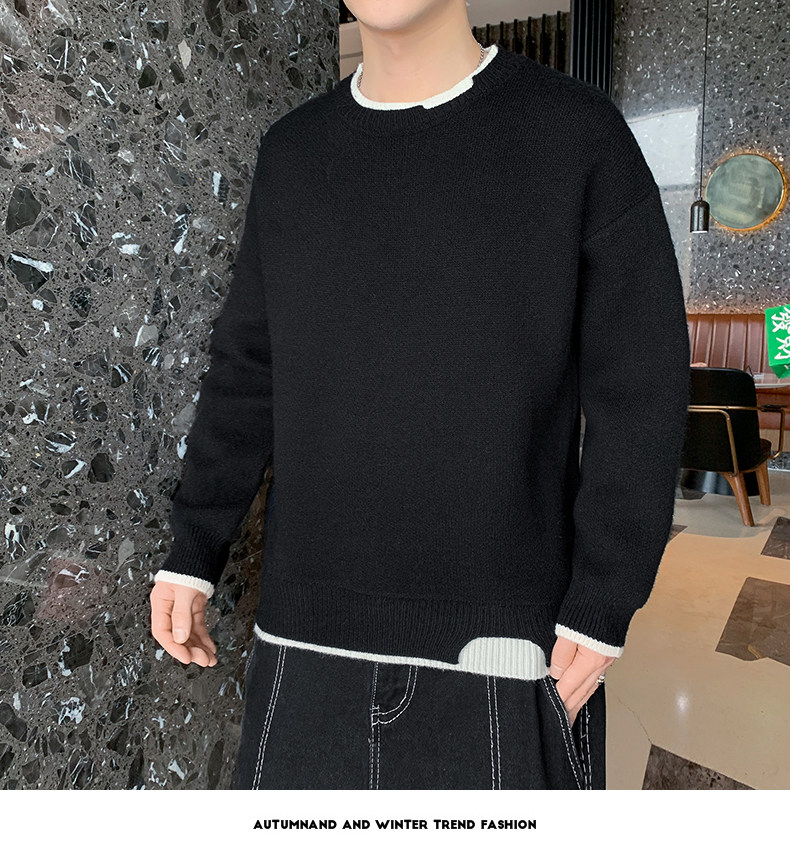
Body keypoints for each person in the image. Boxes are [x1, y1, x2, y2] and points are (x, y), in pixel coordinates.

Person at [149, 0, 691, 790]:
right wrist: (194, 548)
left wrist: (604, 596)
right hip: (304, 641)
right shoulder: (294, 153)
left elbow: (640, 382)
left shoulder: (574, 134)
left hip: (506, 649)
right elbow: (248, 367)